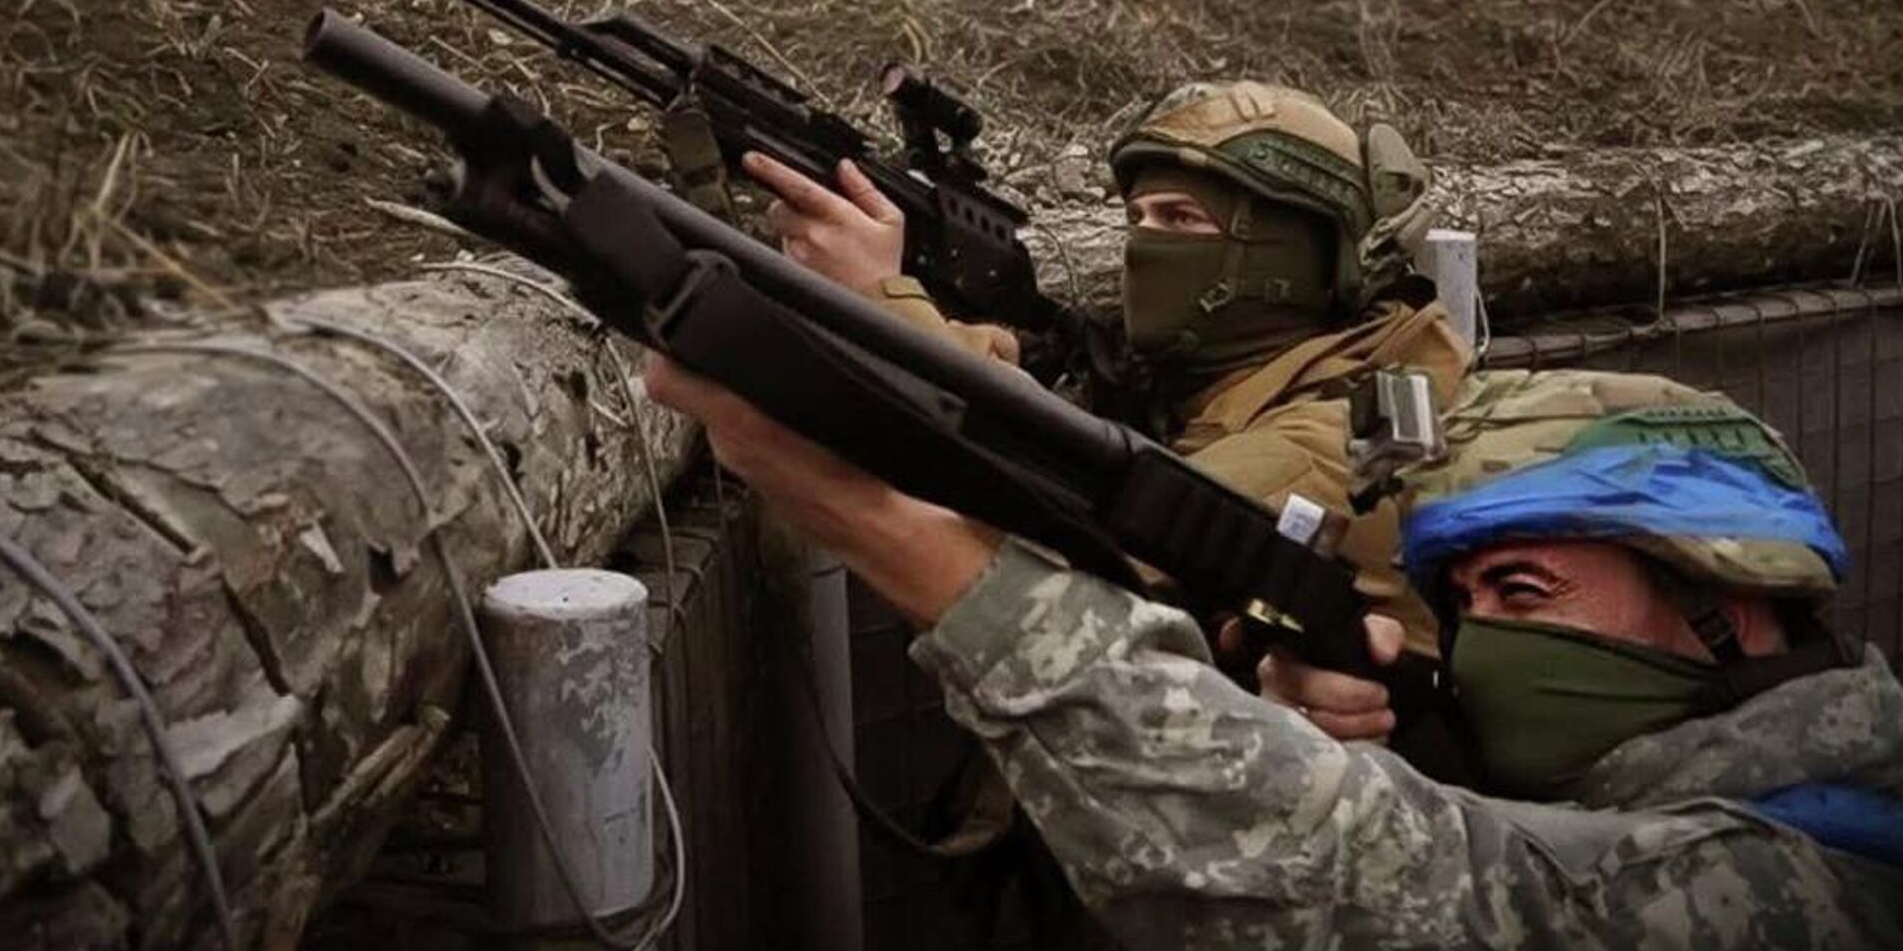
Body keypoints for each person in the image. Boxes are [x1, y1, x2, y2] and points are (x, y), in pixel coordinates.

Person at [643, 351, 1903, 948]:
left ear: (1729, 602)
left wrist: (900, 539)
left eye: (1525, 587)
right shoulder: (1665, 784)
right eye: (1464, 606)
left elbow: (1392, 880)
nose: (1485, 645)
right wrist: (1311, 723)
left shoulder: (1814, 889)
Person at [747, 80, 1464, 674]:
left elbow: (1079, 545)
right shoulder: (1219, 384)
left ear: (1298, 256)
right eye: (1137, 217)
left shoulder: (1344, 436)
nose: (1143, 245)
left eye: (1181, 218)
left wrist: (884, 304)